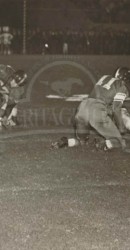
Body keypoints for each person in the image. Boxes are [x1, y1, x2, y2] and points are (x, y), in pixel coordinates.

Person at [51, 67, 130, 152]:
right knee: (119, 142)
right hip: (97, 110)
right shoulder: (122, 86)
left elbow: (104, 98)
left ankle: (67, 142)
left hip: (83, 107)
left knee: (82, 141)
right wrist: (121, 127)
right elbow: (116, 108)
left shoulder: (105, 77)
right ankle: (104, 143)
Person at [0, 64, 27, 130]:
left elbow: (11, 105)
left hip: (4, 91)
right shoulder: (4, 72)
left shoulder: (19, 90)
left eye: (18, 84)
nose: (15, 85)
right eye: (15, 82)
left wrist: (5, 117)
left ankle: (10, 118)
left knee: (6, 100)